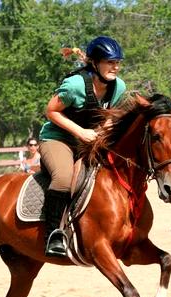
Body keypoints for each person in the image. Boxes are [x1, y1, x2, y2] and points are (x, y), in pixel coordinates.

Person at [38, 36, 127, 257]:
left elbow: (110, 116)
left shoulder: (119, 86)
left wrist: (101, 132)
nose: (115, 67)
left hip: (88, 140)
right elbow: (50, 111)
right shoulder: (75, 85)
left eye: (118, 62)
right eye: (110, 62)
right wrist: (80, 132)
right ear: (95, 63)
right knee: (64, 177)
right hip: (57, 138)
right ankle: (54, 234)